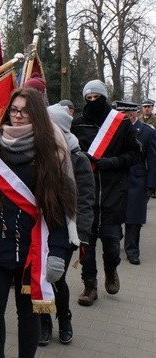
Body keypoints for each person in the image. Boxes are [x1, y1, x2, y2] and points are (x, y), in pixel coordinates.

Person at [0, 87, 76, 358]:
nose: (17, 116)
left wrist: (58, 252)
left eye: (24, 111)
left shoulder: (51, 155)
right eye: (14, 110)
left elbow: (59, 211)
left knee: (28, 315)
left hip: (33, 251)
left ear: (36, 115)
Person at [71, 80, 140, 306]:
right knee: (86, 243)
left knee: (111, 243)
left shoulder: (120, 123)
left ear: (104, 97)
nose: (93, 101)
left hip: (113, 192)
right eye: (88, 98)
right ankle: (89, 285)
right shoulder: (78, 123)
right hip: (85, 193)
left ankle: (111, 270)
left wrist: (110, 162)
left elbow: (135, 154)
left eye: (96, 97)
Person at [38, 104, 95, 347]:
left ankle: (65, 319)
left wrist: (81, 233)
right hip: (40, 227)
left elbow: (85, 198)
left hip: (65, 228)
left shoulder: (77, 158)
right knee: (39, 277)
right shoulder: (38, 153)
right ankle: (44, 322)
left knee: (56, 276)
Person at [115, 101, 156, 265]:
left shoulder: (147, 132)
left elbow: (153, 160)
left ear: (131, 115)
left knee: (134, 219)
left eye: (123, 115)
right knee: (114, 214)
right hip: (116, 179)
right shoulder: (113, 130)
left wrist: (151, 186)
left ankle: (132, 251)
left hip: (137, 180)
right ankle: (114, 243)